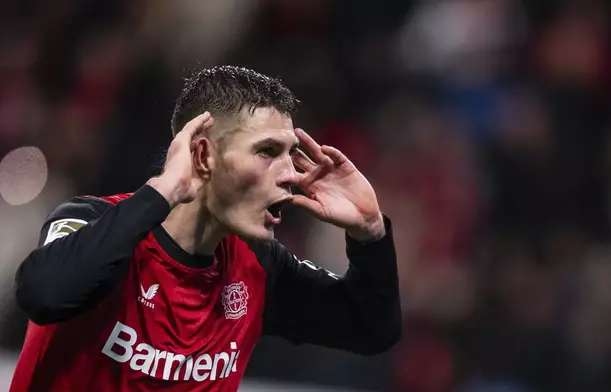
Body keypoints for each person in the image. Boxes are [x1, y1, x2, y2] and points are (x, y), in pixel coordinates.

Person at [10, 66, 401, 391]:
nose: (291, 175)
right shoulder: (95, 222)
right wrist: (163, 190)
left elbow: (371, 329)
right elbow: (43, 293)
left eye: (291, 156)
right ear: (202, 155)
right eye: (268, 152)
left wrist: (369, 234)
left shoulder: (257, 267)